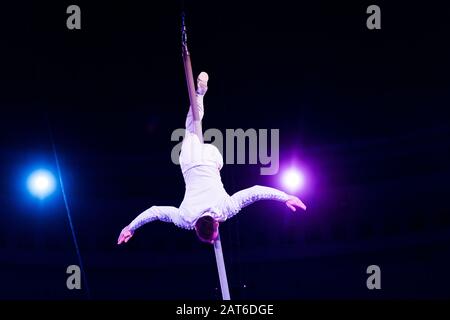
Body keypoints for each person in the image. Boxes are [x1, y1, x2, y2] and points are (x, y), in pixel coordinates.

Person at [117, 72, 306, 245]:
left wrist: (285, 198)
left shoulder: (225, 210)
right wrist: (130, 227)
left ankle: (200, 94)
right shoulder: (185, 218)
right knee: (191, 126)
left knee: (201, 136)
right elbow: (155, 211)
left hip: (210, 159)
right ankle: (200, 94)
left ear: (216, 224)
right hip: (189, 161)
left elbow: (255, 191)